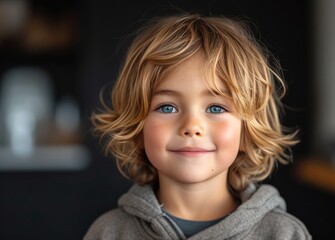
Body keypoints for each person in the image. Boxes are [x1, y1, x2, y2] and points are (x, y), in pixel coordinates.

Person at [84, 13, 311, 240]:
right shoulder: (107, 233)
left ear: (247, 130)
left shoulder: (285, 234)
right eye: (167, 107)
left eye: (215, 108)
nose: (192, 126)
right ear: (137, 126)